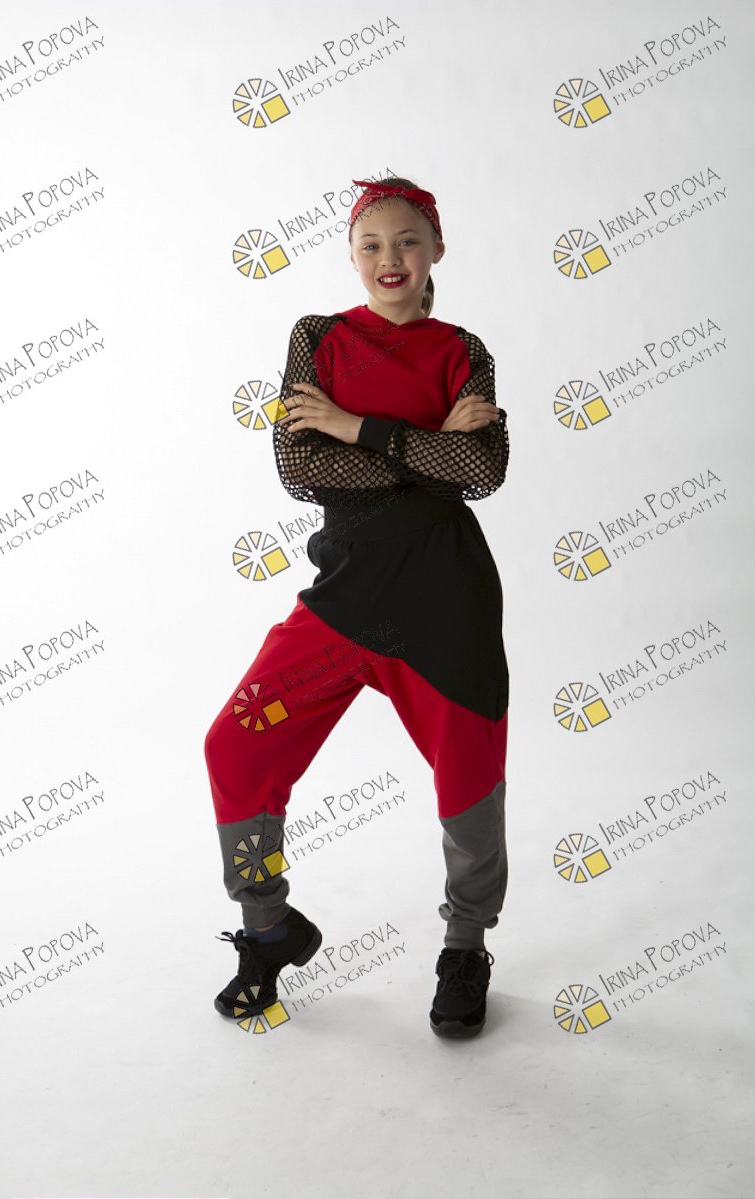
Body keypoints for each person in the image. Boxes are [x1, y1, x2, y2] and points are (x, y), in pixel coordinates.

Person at [204, 175, 510, 1038]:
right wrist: (427, 449)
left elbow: (483, 471)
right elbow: (300, 468)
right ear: (350, 254)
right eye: (372, 243)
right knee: (236, 743)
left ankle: (465, 944)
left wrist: (356, 426)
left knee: (470, 787)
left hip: (447, 605)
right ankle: (268, 925)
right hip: (342, 600)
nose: (390, 258)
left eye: (408, 240)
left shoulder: (464, 350)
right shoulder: (319, 338)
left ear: (437, 249)